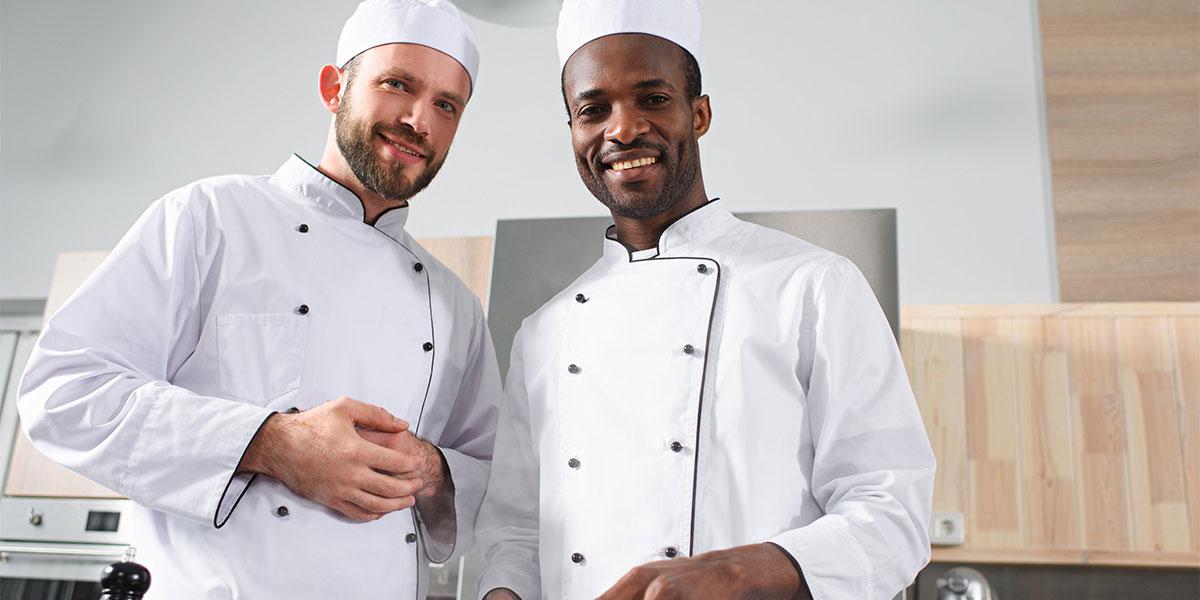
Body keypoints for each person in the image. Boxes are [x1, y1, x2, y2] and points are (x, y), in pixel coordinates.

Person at [17, 1, 499, 598]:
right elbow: (63, 391)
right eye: (397, 84)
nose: (419, 121)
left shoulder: (454, 304)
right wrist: (270, 442)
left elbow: (497, 484)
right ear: (334, 88)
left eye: (446, 105)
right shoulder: (208, 218)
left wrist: (430, 469)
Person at [475, 1, 936, 598]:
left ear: (700, 113)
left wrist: (736, 571)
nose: (623, 129)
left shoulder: (813, 286)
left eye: (652, 98)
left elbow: (893, 514)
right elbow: (514, 536)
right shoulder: (543, 334)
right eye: (594, 109)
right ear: (573, 132)